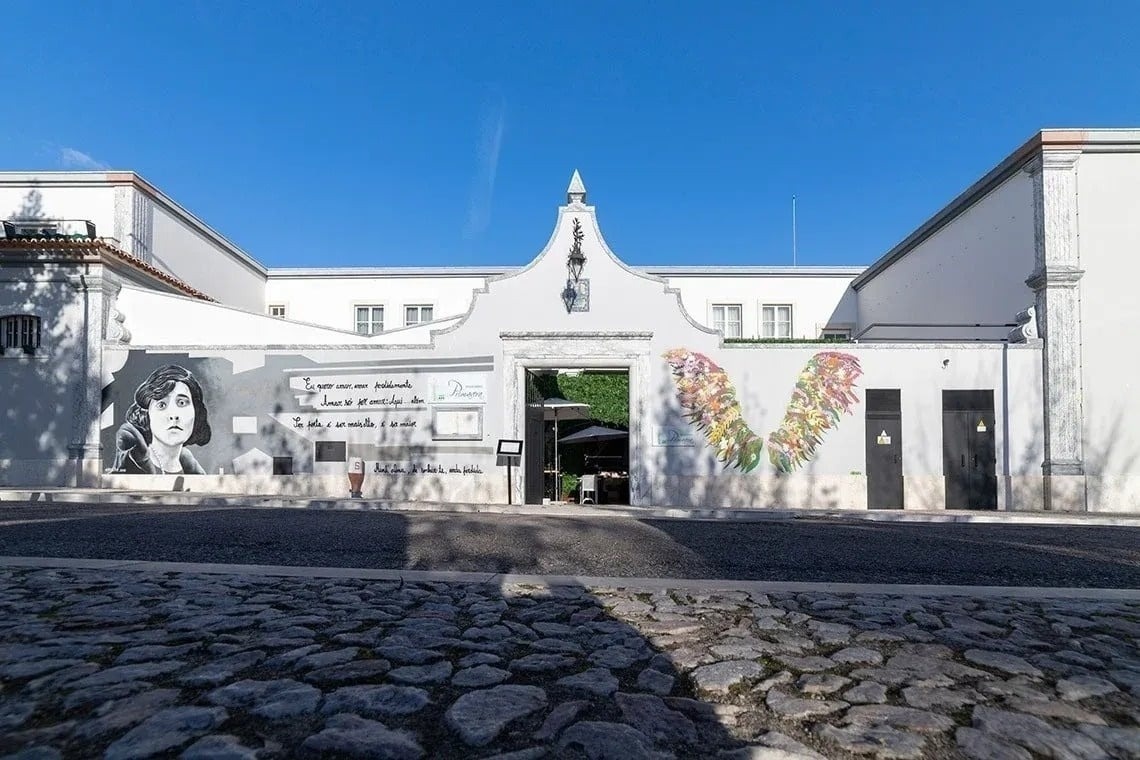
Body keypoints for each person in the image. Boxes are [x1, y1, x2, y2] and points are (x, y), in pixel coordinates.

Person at [109, 364, 212, 474]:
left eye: (182, 402)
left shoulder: (196, 473)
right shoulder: (130, 466)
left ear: (196, 411)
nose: (173, 415)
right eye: (162, 405)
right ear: (147, 414)